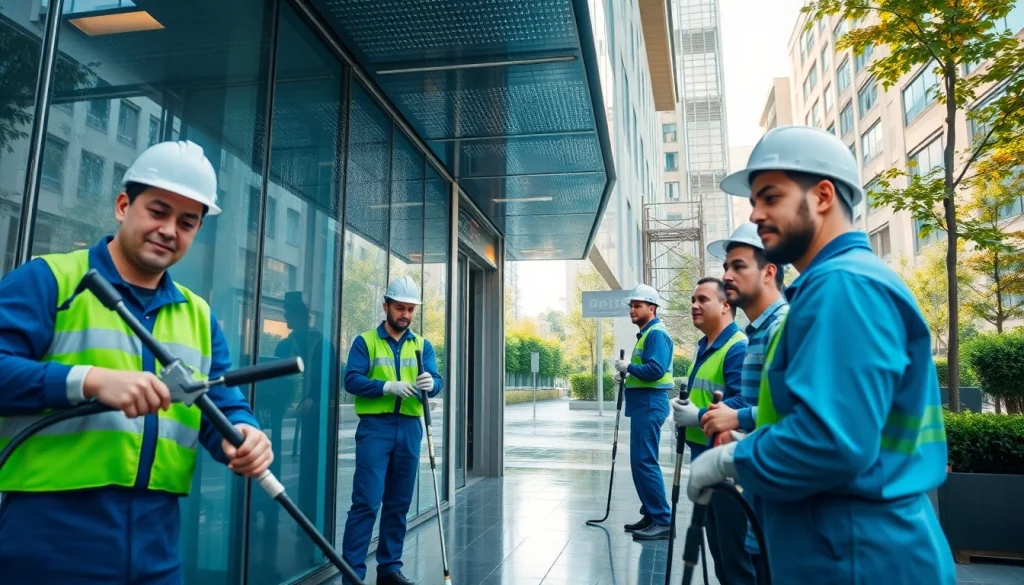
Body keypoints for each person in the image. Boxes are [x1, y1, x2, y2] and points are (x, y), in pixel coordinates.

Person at [685, 125, 955, 584]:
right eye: (754, 201)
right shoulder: (838, 283)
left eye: (770, 197)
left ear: (823, 196)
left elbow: (831, 442)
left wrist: (733, 459)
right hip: (849, 548)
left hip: (856, 556)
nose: (755, 214)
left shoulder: (843, 287)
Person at [0, 140, 273, 584]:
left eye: (186, 222)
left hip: (157, 542)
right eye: (158, 212)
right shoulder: (49, 279)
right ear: (123, 205)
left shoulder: (198, 314)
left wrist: (244, 432)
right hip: (47, 536)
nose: (169, 230)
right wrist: (88, 381)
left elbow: (219, 401)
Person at [700, 221, 789, 583]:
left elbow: (794, 413)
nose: (726, 276)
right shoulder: (758, 333)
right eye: (725, 267)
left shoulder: (783, 326)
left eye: (738, 266)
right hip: (757, 490)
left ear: (769, 272)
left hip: (780, 504)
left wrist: (736, 418)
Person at [341, 275, 443, 585]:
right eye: (400, 308)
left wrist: (432, 383)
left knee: (399, 503)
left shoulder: (422, 345)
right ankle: (352, 575)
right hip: (376, 428)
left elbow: (437, 381)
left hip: (410, 428)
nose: (406, 315)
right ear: (385, 306)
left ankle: (388, 570)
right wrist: (387, 386)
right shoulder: (365, 341)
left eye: (411, 309)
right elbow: (351, 380)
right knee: (367, 502)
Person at [670, 277, 750, 583]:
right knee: (719, 552)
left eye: (703, 299)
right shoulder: (705, 347)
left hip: (725, 464)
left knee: (734, 556)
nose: (694, 305)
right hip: (704, 456)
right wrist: (685, 410)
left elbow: (744, 402)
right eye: (693, 300)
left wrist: (698, 416)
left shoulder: (736, 347)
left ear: (726, 305)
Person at [614, 283, 674, 541]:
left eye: (637, 306)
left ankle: (662, 520)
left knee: (645, 462)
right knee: (640, 462)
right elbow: (646, 370)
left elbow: (655, 370)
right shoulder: (647, 333)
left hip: (650, 404)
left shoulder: (657, 334)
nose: (632, 310)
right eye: (631, 306)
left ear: (652, 308)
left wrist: (628, 368)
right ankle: (651, 513)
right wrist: (628, 376)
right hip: (644, 404)